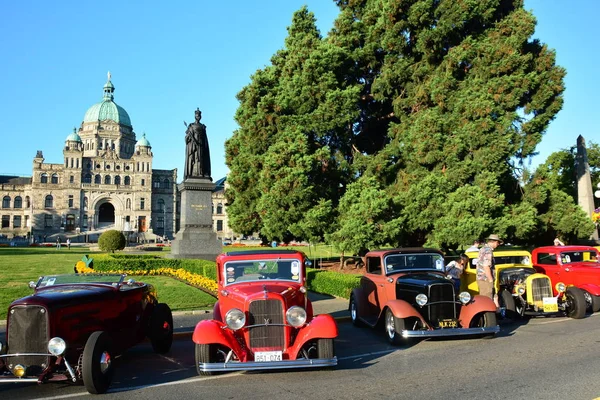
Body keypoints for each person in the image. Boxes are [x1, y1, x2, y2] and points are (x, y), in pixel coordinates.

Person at [184, 108, 211, 179]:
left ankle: (201, 173)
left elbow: (205, 138)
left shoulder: (203, 126)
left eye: (199, 115)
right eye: (197, 115)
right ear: (195, 116)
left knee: (201, 159)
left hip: (201, 145)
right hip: (193, 146)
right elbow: (186, 139)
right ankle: (192, 173)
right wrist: (189, 137)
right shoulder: (191, 126)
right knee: (194, 159)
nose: (198, 116)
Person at [476, 234, 502, 306]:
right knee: (487, 300)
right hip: (485, 279)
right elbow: (486, 266)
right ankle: (488, 316)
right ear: (494, 242)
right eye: (498, 242)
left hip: (481, 278)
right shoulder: (488, 251)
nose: (498, 244)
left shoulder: (483, 249)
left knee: (491, 297)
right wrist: (490, 279)